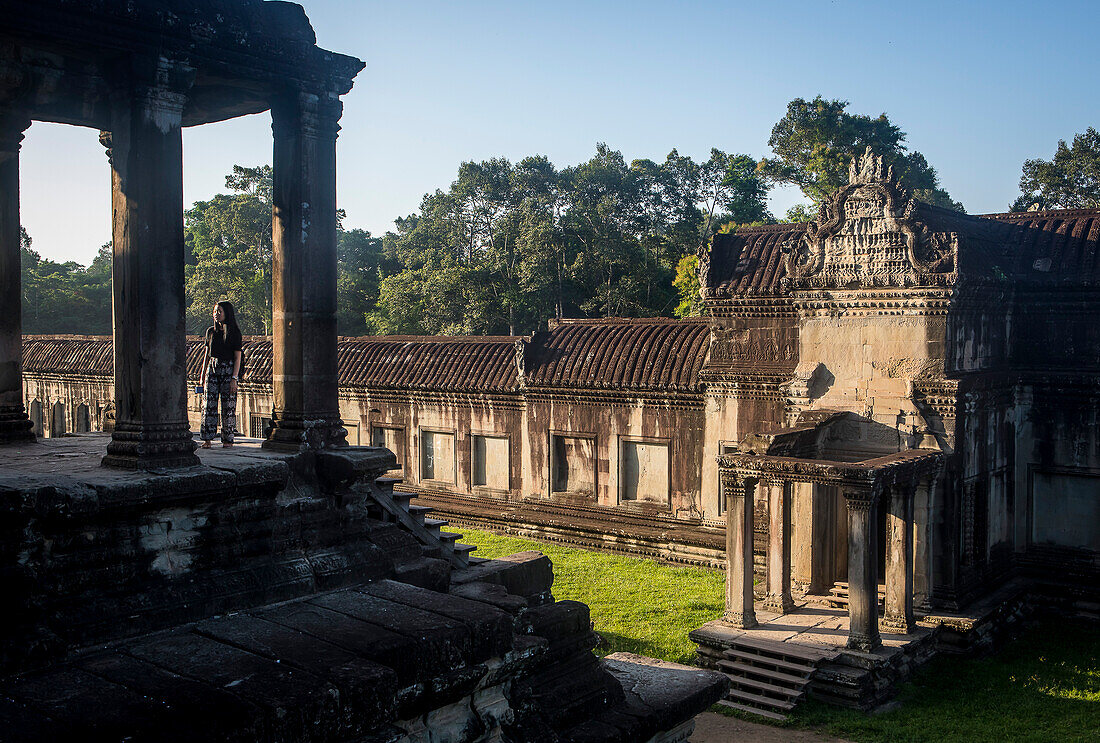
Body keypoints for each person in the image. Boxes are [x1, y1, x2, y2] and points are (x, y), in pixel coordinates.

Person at [197, 301, 243, 448]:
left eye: (220, 311)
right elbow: (207, 355)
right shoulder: (210, 332)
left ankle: (227, 439)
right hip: (213, 368)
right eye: (215, 311)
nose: (216, 314)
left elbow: (237, 357)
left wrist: (234, 378)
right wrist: (203, 373)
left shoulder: (234, 332)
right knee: (208, 405)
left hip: (228, 369)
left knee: (228, 406)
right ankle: (207, 439)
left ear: (226, 313)